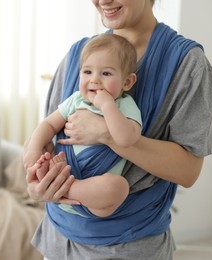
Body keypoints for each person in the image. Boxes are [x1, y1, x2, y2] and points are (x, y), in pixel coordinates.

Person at [23, 0, 212, 259]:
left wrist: (106, 133)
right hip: (59, 239)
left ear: (128, 81)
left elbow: (189, 171)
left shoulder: (187, 64)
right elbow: (45, 139)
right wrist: (37, 185)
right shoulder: (77, 55)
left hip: (128, 246)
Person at [24, 33, 141, 218]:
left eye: (106, 73)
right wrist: (34, 149)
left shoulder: (124, 106)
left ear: (127, 82)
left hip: (92, 200)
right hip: (64, 168)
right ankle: (49, 176)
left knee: (117, 187)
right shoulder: (76, 100)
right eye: (87, 72)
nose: (94, 80)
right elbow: (49, 124)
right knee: (39, 145)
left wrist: (107, 105)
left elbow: (126, 139)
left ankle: (65, 187)